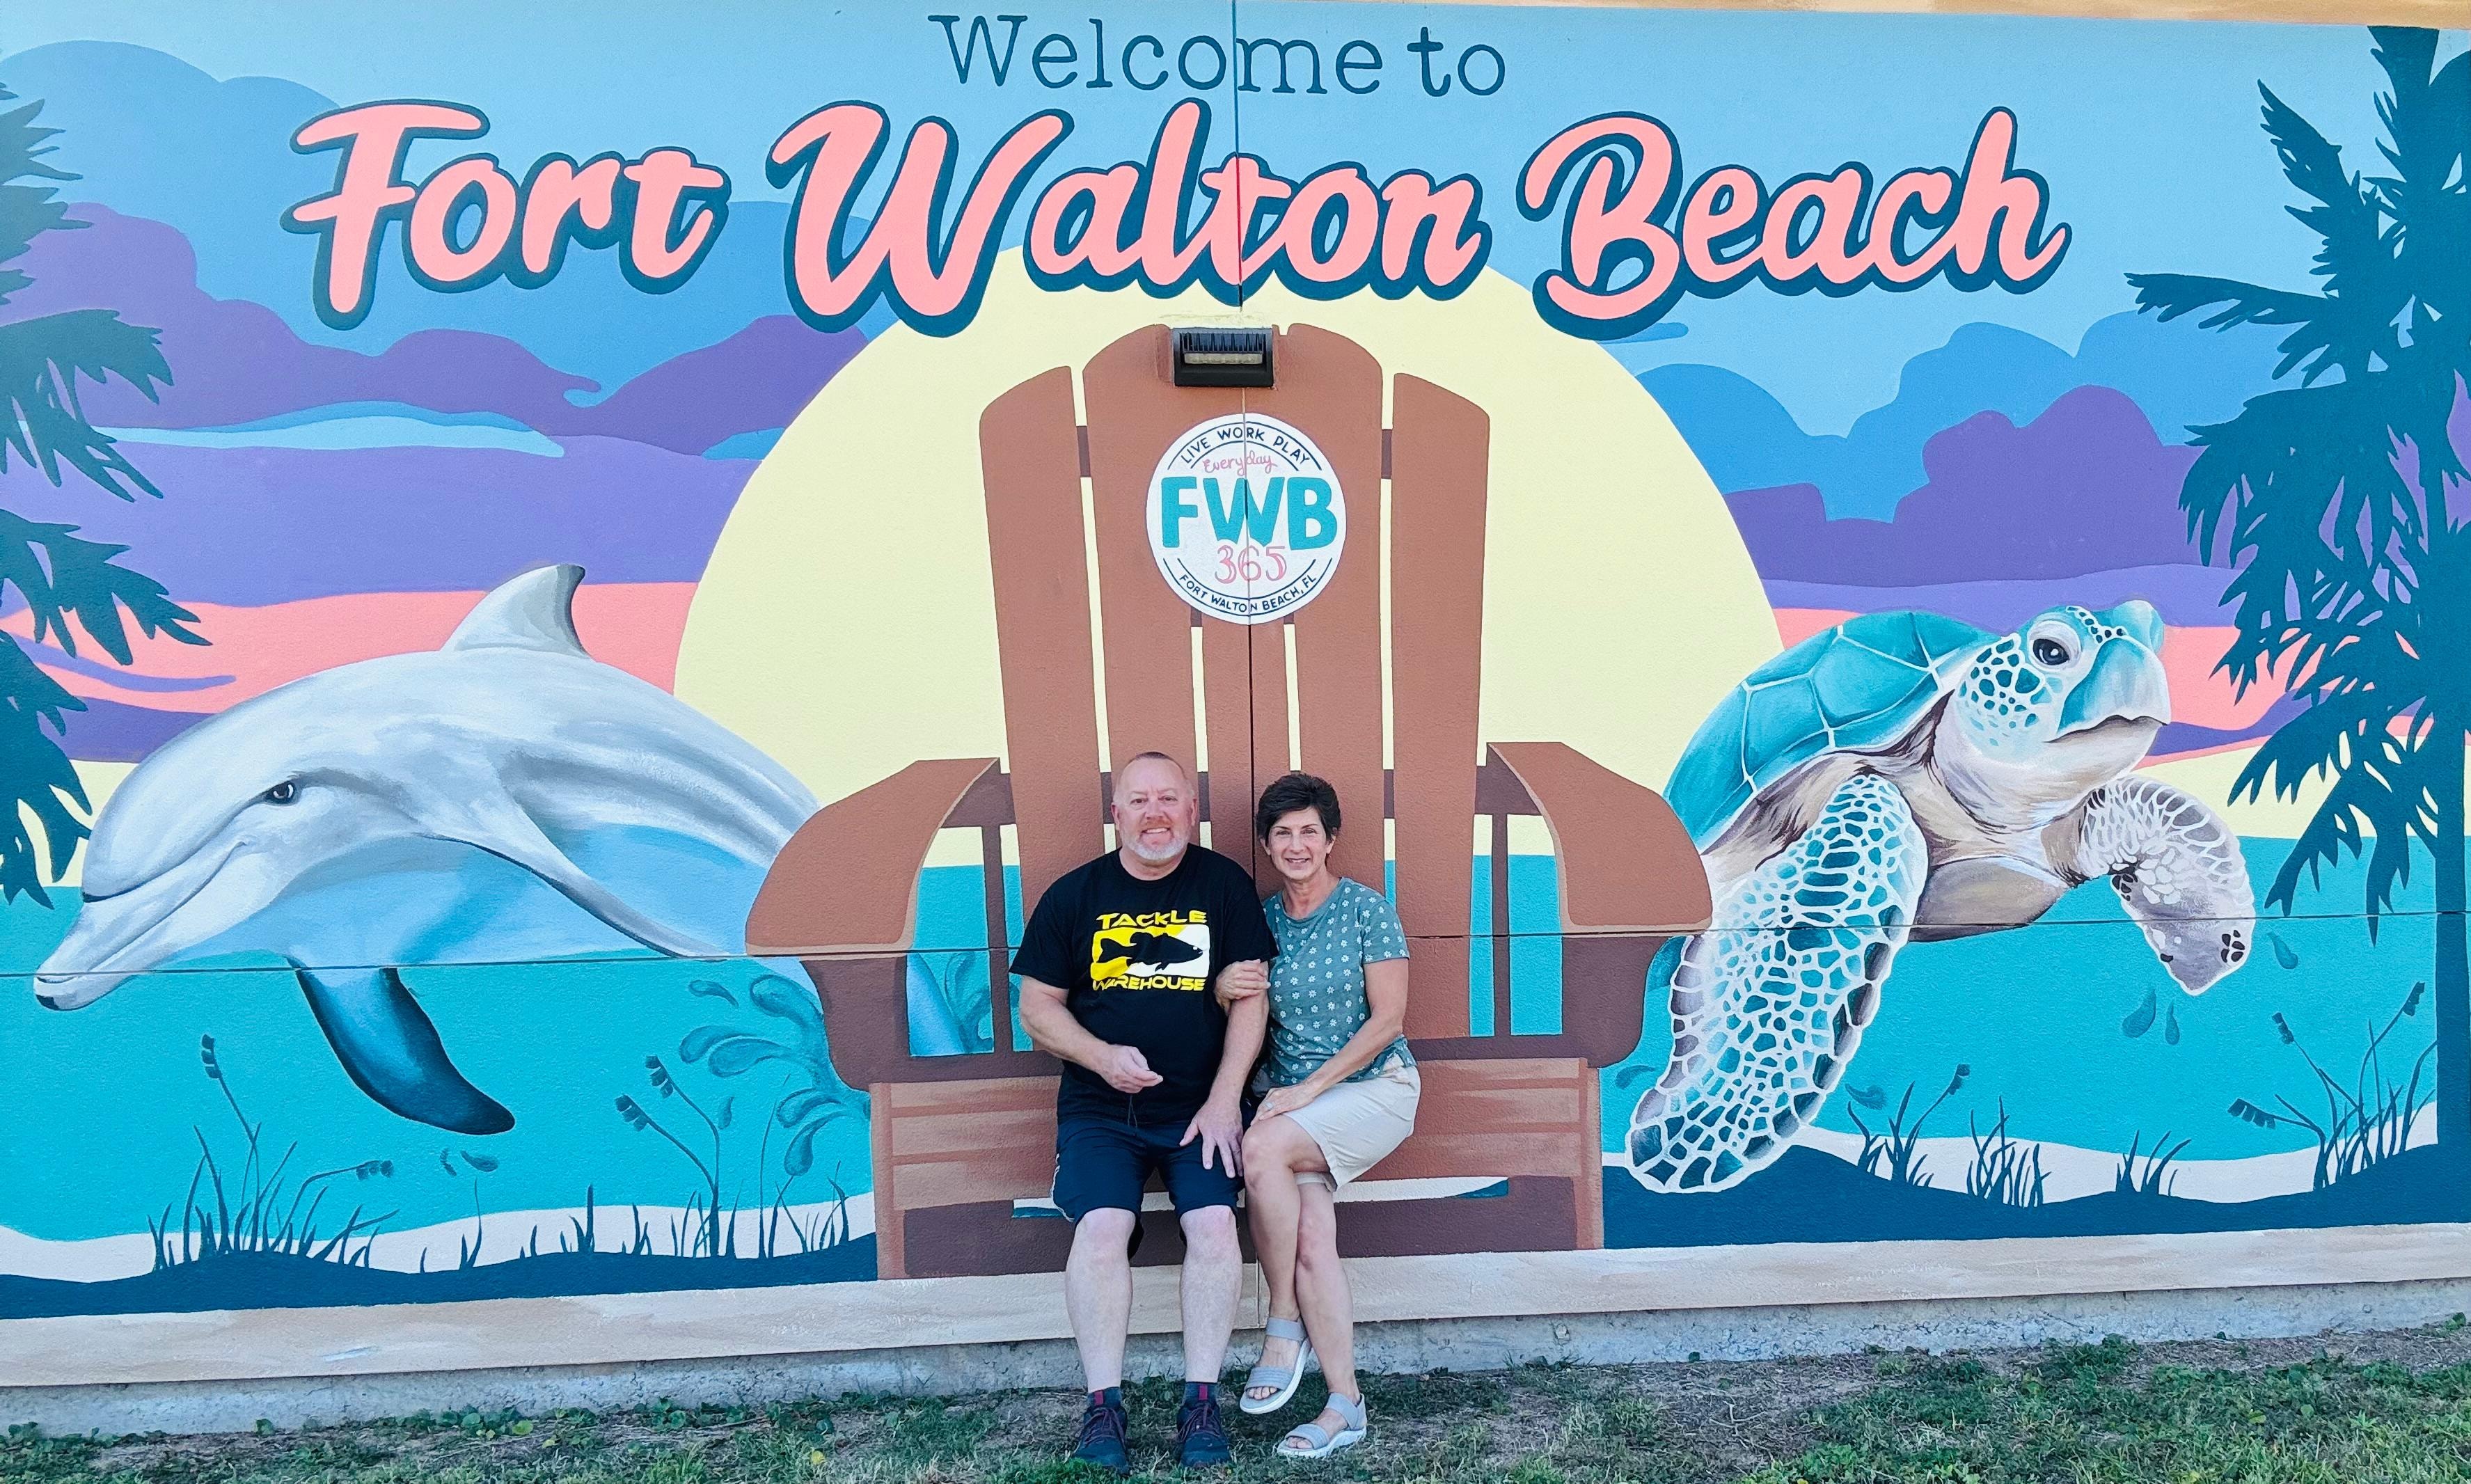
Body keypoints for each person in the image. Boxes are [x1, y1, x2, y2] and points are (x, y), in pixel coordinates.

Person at [1011, 750, 1277, 1474]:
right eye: (1138, 800)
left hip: (1200, 1108)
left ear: (1191, 809)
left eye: (1168, 798)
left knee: (1214, 1226)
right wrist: (1100, 1055)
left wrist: (1224, 1098)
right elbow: (1037, 1008)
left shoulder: (1222, 884)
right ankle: (1103, 1406)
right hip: (1102, 1110)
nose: (1154, 813)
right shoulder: (1075, 895)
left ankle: (1201, 1402)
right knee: (1102, 1228)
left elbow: (1251, 997)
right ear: (1117, 813)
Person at [1226, 772, 1419, 1461]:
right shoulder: (1262, 922)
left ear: (1331, 838)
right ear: (1266, 844)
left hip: (1374, 1088)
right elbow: (1241, 1007)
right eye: (1282, 832)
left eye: (1309, 830)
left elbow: (1387, 1020)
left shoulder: (1367, 909)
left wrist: (1307, 1089)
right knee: (1311, 1237)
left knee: (1261, 1147)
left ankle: (1283, 1321)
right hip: (1297, 1107)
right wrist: (1221, 988)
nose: (1296, 844)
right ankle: (1346, 1404)